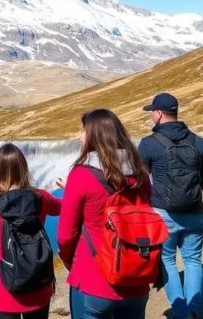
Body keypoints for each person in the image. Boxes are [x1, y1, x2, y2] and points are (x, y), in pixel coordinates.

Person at [57, 108, 154, 319]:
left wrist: (67, 261)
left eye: (83, 131)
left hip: (94, 279)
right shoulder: (141, 174)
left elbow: (66, 233)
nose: (80, 137)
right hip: (136, 279)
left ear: (93, 136)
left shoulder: (81, 174)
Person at [137, 93, 203, 319]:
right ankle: (193, 311)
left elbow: (139, 180)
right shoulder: (198, 141)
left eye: (152, 111)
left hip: (163, 213)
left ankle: (180, 313)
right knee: (193, 261)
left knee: (167, 260)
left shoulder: (149, 144)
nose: (151, 114)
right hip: (194, 213)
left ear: (159, 114)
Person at [0, 143, 62, 319]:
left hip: (2, 294)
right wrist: (70, 189)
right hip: (39, 289)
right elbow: (64, 207)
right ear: (23, 168)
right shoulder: (40, 198)